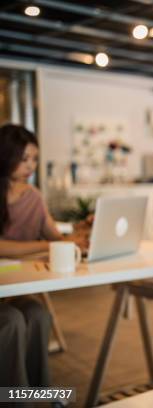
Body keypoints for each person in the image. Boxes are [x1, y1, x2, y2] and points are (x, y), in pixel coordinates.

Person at [0, 124, 85, 387]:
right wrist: (45, 248)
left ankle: (37, 394)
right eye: (24, 159)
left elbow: (54, 238)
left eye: (34, 159)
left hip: (14, 286)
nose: (31, 166)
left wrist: (78, 237)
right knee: (12, 321)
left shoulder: (34, 197)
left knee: (38, 315)